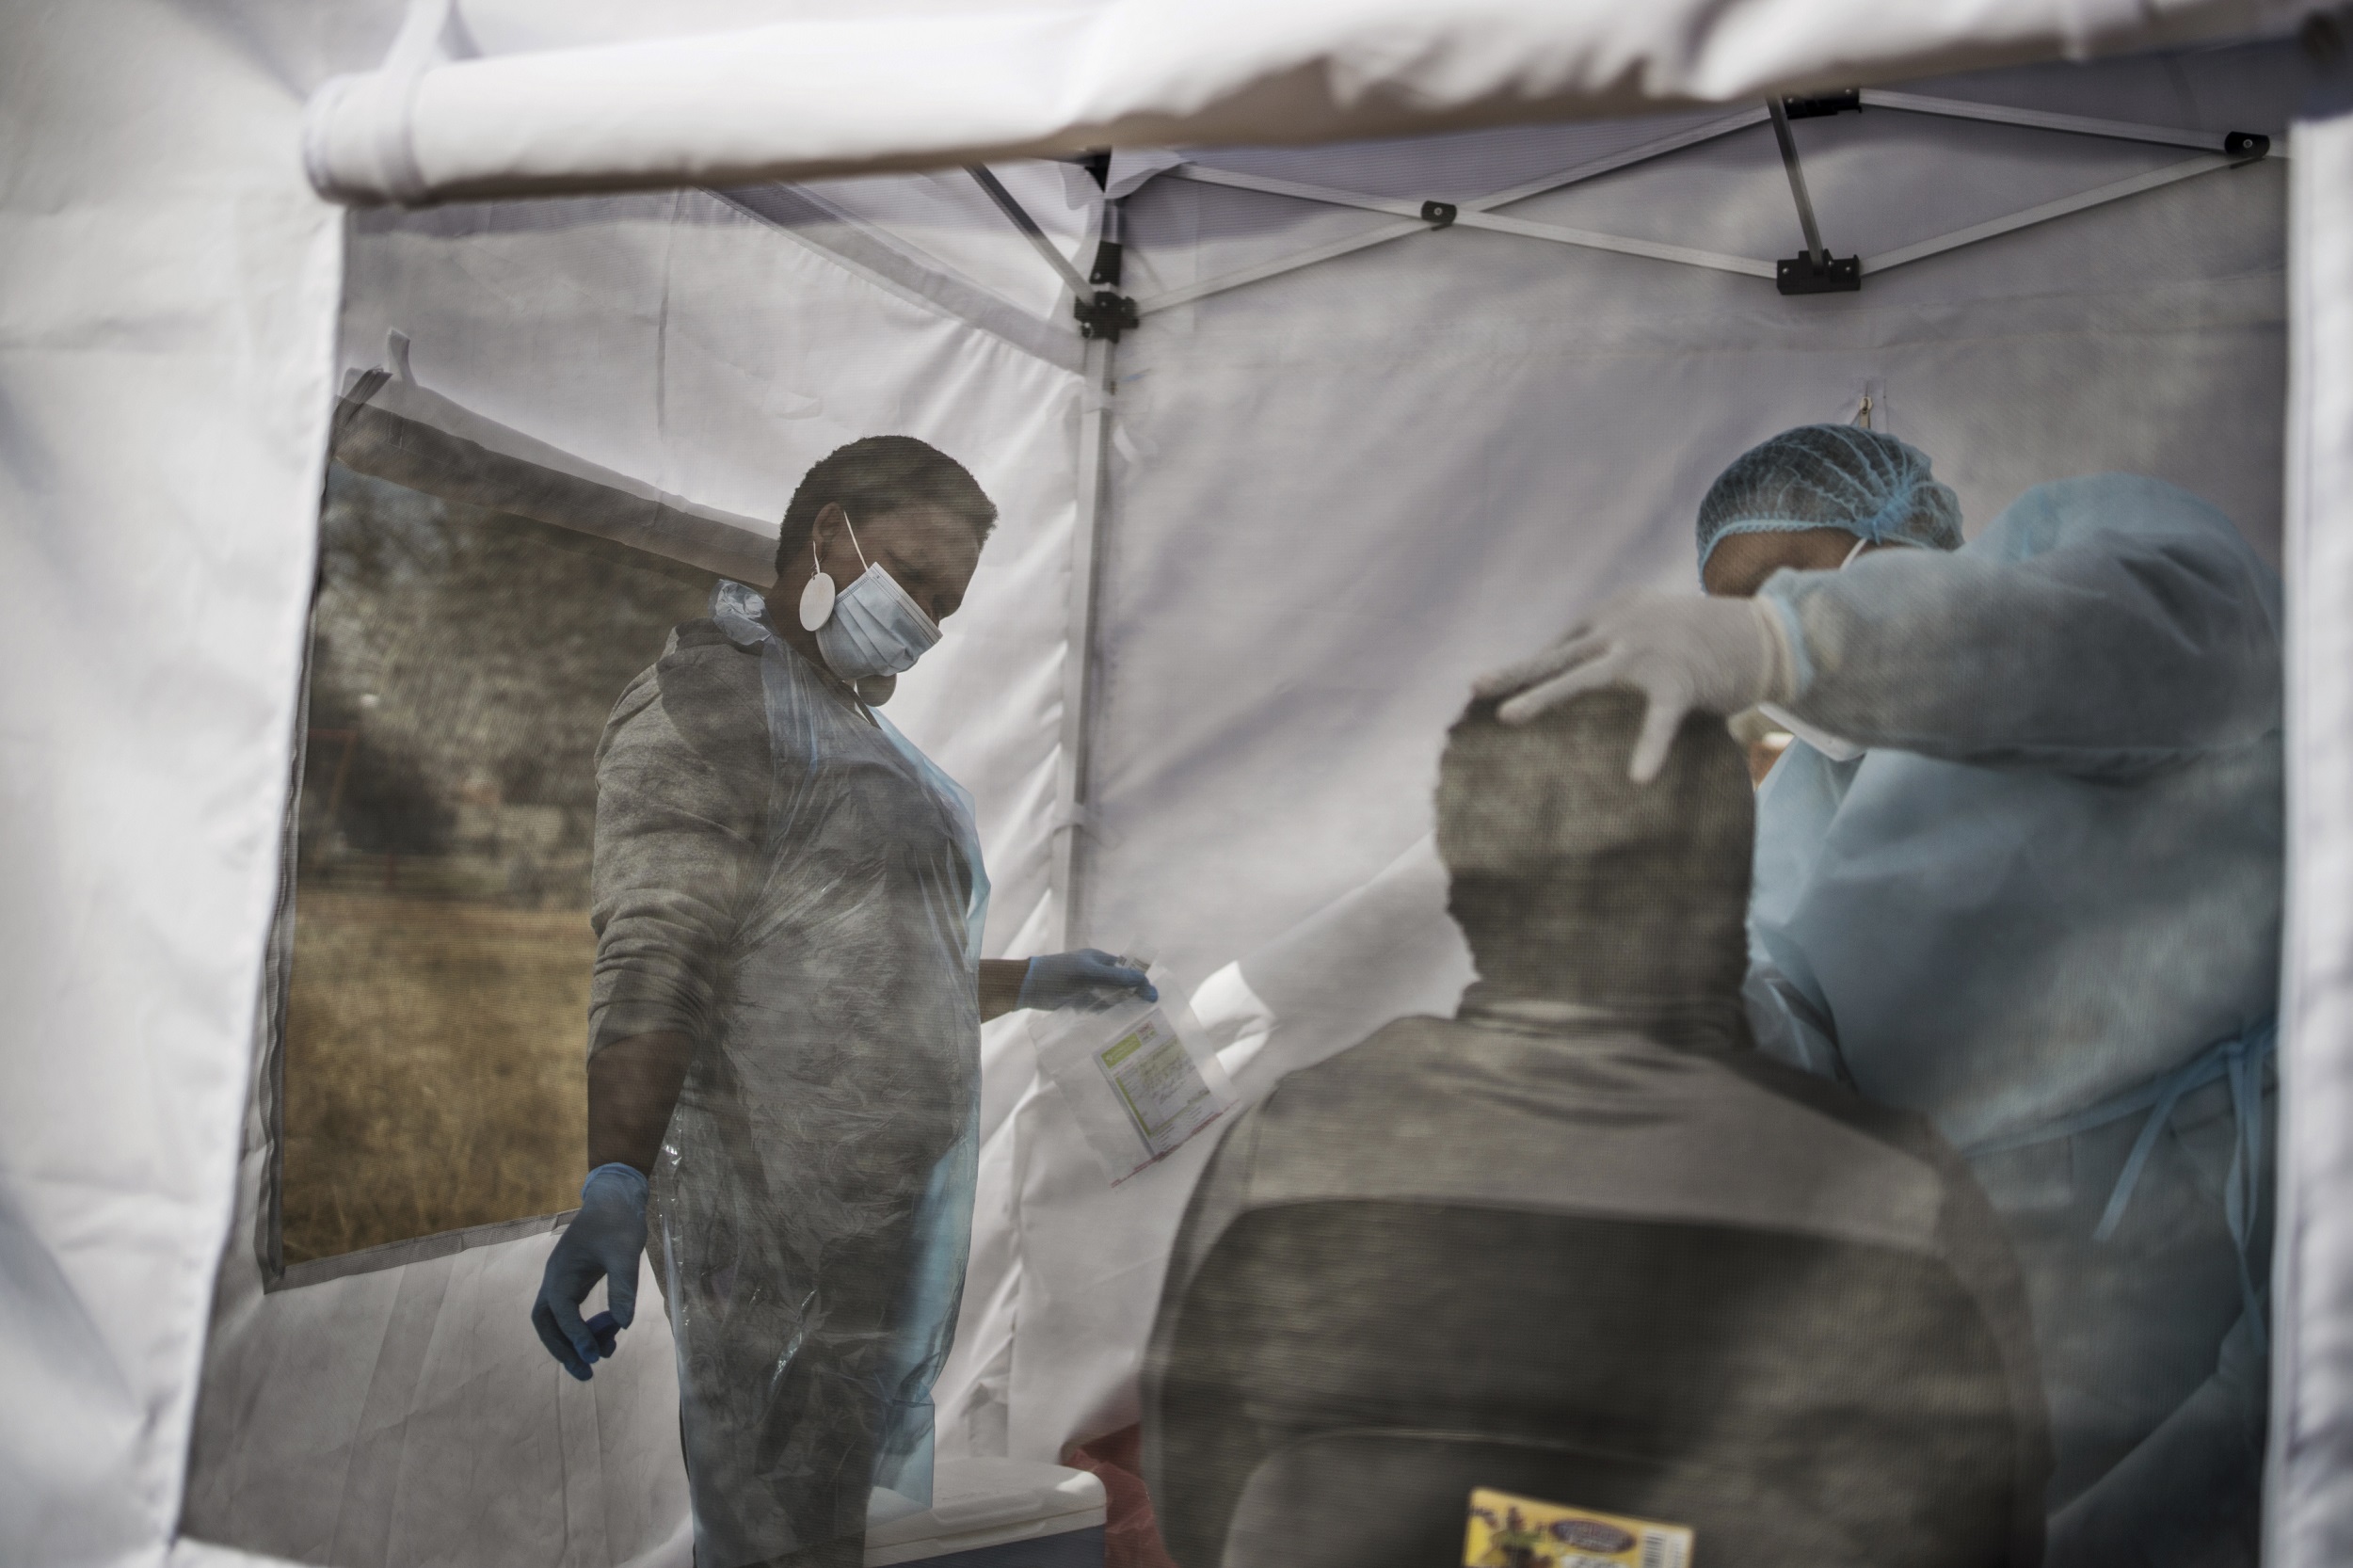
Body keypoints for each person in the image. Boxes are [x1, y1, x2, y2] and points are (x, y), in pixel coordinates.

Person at [1481, 424, 2281, 1566]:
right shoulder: (1801, 803)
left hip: (2211, 1205)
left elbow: (2177, 640)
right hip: (2008, 1267)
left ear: (1903, 529)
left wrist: (1786, 643)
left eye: (1790, 581)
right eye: (1731, 607)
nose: (1766, 628)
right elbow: (1805, 1042)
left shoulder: (2072, 546)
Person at [1142, 689, 2050, 1568]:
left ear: (1463, 887)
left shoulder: (1290, 1144)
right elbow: (1989, 1531)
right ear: (1733, 879)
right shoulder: (1895, 1196)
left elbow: (1194, 1498)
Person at [529, 436, 1156, 1568]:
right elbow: (657, 946)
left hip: (864, 1236)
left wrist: (1033, 983)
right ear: (830, 536)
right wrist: (615, 1172)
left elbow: (859, 974)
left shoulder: (847, 722)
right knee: (777, 1535)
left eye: (946, 602)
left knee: (818, 1533)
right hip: (767, 1226)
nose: (925, 616)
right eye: (913, 578)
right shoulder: (715, 698)